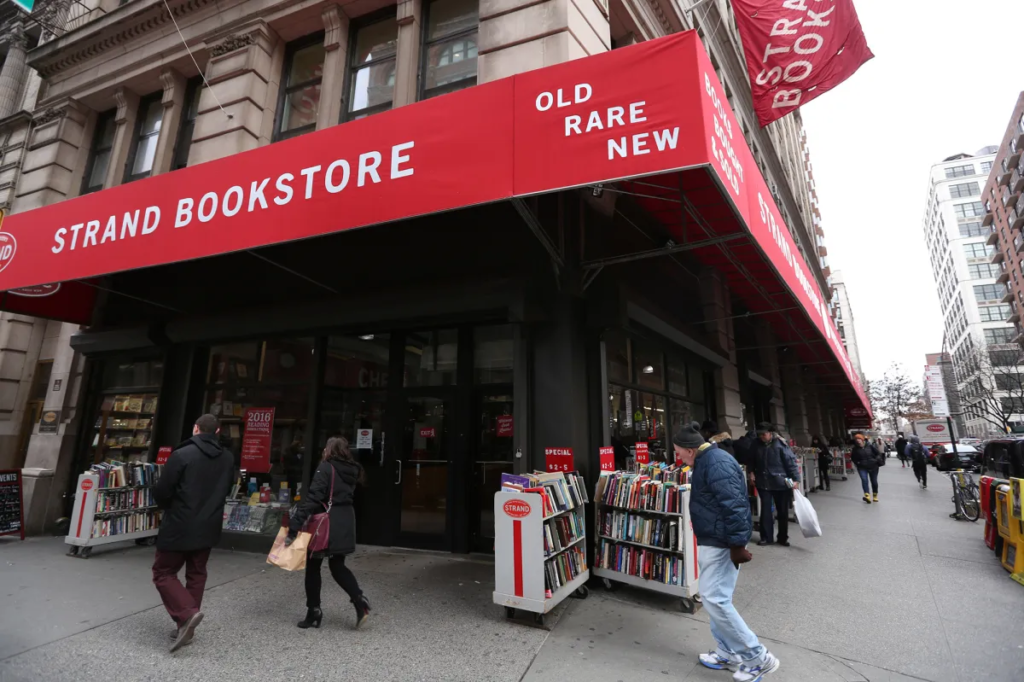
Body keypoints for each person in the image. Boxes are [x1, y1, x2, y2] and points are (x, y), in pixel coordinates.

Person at [673, 421, 780, 680]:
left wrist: (736, 544)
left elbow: (735, 506)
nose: (676, 456)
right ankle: (728, 652)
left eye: (677, 451)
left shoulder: (715, 462)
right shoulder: (709, 460)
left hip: (721, 542)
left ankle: (757, 657)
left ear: (689, 449)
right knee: (716, 598)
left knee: (714, 599)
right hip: (717, 539)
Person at [152, 414, 235, 653]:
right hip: (208, 525)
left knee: (163, 572)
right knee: (196, 573)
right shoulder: (227, 458)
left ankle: (187, 615)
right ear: (217, 432)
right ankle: (185, 625)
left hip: (179, 523)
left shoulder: (181, 455)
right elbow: (226, 489)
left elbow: (163, 489)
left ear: (196, 428)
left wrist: (170, 507)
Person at [287, 437, 371, 630]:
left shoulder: (326, 468)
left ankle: (313, 611)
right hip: (345, 520)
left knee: (314, 565)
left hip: (325, 523)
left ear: (329, 450)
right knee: (337, 565)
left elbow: (314, 497)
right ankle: (360, 601)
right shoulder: (354, 469)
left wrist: (295, 525)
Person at [751, 422, 800, 547]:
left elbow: (791, 462)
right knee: (766, 510)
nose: (762, 436)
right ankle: (766, 537)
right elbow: (751, 460)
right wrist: (751, 472)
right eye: (760, 434)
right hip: (763, 481)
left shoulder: (781, 444)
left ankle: (782, 538)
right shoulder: (755, 444)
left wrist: (796, 479)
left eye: (764, 434)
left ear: (771, 433)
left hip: (781, 482)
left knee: (782, 511)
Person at [850, 431, 883, 503]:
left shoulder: (870, 446)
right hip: (862, 467)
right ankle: (867, 495)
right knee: (864, 480)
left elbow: (877, 453)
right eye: (856, 439)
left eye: (859, 439)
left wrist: (875, 460)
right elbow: (853, 458)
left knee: (874, 481)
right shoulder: (855, 449)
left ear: (862, 439)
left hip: (873, 466)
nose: (857, 440)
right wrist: (858, 463)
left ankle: (875, 495)